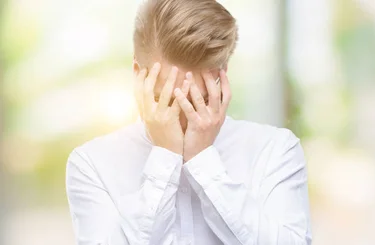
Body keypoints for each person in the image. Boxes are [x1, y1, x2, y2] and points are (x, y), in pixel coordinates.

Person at [65, 0, 312, 244]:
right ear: (137, 74)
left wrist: (203, 160)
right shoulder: (92, 164)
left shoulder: (275, 150)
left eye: (198, 100)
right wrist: (164, 156)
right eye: (165, 99)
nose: (182, 119)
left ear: (222, 74)